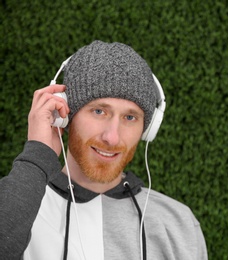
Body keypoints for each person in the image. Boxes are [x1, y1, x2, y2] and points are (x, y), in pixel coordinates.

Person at [0, 40, 208, 260]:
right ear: (65, 116)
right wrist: (37, 154)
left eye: (130, 117)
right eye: (99, 111)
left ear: (147, 129)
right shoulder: (17, 206)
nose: (112, 137)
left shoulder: (178, 223)